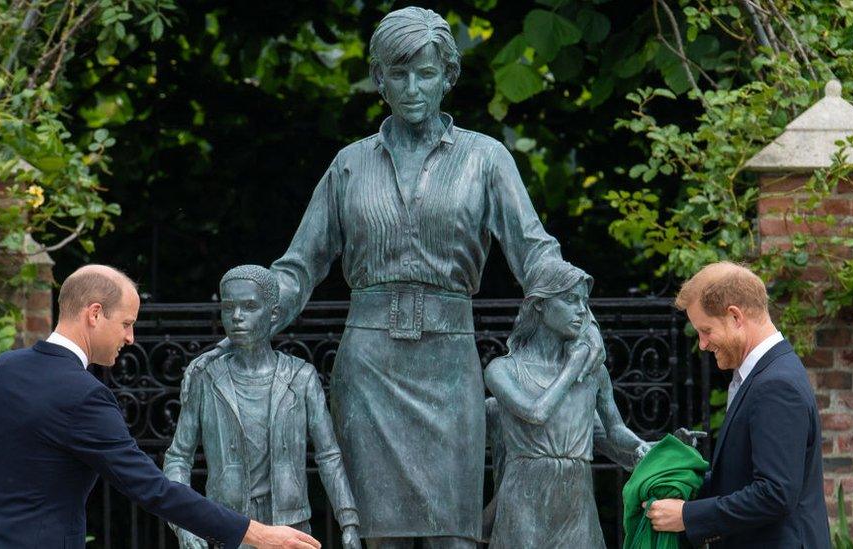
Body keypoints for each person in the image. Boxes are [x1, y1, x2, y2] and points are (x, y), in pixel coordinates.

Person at [191, 8, 607, 548]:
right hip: (369, 370)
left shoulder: (486, 159)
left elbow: (536, 253)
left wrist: (580, 315)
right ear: (379, 79)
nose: (413, 88)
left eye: (426, 73)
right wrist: (253, 315)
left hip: (450, 365)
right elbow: (299, 267)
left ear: (448, 77)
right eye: (399, 73)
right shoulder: (348, 165)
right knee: (376, 534)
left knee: (454, 535)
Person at [0, 264, 321, 549]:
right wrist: (254, 533)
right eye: (127, 323)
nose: (130, 337)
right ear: (94, 314)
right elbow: (152, 488)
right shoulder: (84, 395)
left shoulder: (2, 368)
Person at [163, 266, 361, 549]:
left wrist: (349, 521)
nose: (237, 317)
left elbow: (328, 456)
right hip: (227, 528)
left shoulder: (300, 378)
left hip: (290, 528)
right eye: (228, 307)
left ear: (274, 314)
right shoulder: (206, 379)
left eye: (250, 306)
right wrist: (183, 523)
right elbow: (178, 458)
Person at [645, 261, 830, 548]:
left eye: (705, 330)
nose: (703, 344)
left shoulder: (775, 384)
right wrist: (683, 483)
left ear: (735, 316)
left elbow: (775, 493)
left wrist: (687, 516)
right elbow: (742, 480)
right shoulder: (762, 375)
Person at [483, 259, 649, 548]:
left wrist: (656, 448)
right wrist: (572, 368)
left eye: (584, 302)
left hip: (576, 501)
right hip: (524, 500)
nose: (581, 311)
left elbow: (614, 432)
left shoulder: (594, 372)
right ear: (539, 304)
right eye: (570, 300)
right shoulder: (503, 370)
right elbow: (536, 413)